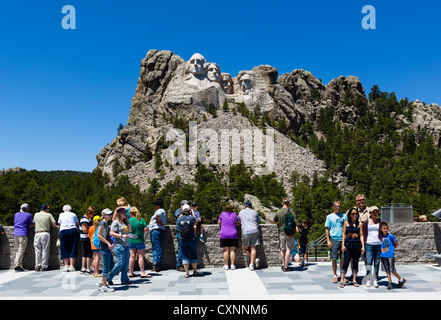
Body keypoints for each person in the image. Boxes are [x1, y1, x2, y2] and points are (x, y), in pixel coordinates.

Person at [339, 208, 365, 288]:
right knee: (346, 262)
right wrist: (343, 245)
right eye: (353, 214)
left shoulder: (359, 224)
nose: (355, 215)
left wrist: (363, 246)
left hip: (357, 245)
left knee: (355, 262)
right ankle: (342, 280)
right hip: (348, 244)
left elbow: (361, 235)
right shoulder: (346, 223)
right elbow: (343, 234)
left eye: (356, 214)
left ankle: (354, 279)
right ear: (350, 215)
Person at [107, 207, 132, 285]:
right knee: (120, 263)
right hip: (119, 245)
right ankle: (109, 277)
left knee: (125, 263)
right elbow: (112, 233)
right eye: (123, 213)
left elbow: (130, 230)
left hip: (126, 245)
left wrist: (128, 223)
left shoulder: (124, 222)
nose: (125, 214)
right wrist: (121, 236)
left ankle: (124, 279)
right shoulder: (115, 222)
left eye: (125, 212)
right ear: (119, 214)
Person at [325, 200, 347, 283]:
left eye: (339, 206)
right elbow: (327, 229)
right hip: (334, 238)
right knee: (334, 258)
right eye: (336, 206)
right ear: (333, 207)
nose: (338, 208)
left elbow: (346, 227)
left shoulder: (344, 216)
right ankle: (334, 275)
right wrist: (328, 240)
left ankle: (342, 275)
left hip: (343, 239)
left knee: (343, 258)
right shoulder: (329, 217)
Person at [379, 221, 407, 290]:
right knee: (387, 270)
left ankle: (401, 279)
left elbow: (396, 243)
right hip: (383, 255)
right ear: (380, 229)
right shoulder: (380, 236)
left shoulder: (390, 236)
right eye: (384, 228)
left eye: (386, 228)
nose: (385, 230)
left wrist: (392, 249)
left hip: (390, 255)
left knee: (392, 270)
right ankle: (390, 282)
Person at [273, 199, 297, 272]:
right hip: (289, 232)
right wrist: (296, 228)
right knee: (289, 249)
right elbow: (295, 220)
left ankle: (283, 264)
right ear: (288, 204)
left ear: (282, 203)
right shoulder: (290, 211)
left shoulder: (278, 212)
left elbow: (274, 220)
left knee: (282, 249)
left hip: (281, 232)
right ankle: (286, 267)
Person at [176, 204, 199, 278]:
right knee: (193, 255)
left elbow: (178, 228)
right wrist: (192, 214)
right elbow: (195, 223)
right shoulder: (192, 218)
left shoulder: (179, 219)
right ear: (189, 210)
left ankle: (187, 273)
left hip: (183, 239)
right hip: (191, 238)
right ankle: (195, 271)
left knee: (185, 256)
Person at [363, 206, 383, 288]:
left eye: (376, 212)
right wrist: (364, 244)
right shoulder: (366, 222)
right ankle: (368, 279)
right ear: (370, 213)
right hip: (369, 244)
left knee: (377, 262)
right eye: (373, 212)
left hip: (378, 244)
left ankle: (375, 279)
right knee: (369, 262)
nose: (375, 213)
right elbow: (364, 233)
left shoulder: (380, 222)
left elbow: (384, 231)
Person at [238, 200, 261, 271]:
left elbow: (239, 222)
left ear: (245, 206)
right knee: (253, 248)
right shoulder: (255, 212)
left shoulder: (241, 212)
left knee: (245, 248)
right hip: (255, 230)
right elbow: (257, 222)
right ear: (251, 206)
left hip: (246, 231)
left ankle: (253, 260)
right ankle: (252, 264)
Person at [128, 207, 150, 278]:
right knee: (140, 257)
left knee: (132, 256)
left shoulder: (129, 220)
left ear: (130, 213)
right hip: (139, 240)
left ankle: (131, 272)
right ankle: (142, 272)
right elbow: (145, 229)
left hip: (131, 240)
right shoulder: (141, 220)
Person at [33, 204, 56, 271]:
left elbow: (34, 223)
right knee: (45, 250)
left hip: (37, 233)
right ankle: (44, 266)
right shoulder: (48, 215)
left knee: (37, 250)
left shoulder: (36, 214)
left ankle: (37, 266)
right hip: (45, 233)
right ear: (46, 209)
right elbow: (54, 225)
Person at [96, 208, 115, 292]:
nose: (110, 215)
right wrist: (108, 243)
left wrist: (111, 243)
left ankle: (101, 281)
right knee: (106, 267)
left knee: (111, 265)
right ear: (104, 215)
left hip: (107, 247)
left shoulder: (106, 224)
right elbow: (99, 235)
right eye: (108, 214)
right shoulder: (102, 223)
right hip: (104, 247)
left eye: (110, 214)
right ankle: (104, 285)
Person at [58, 205, 80, 272]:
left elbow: (59, 224)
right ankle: (72, 266)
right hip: (72, 230)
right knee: (73, 247)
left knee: (64, 247)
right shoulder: (73, 214)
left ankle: (66, 265)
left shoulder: (61, 214)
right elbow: (77, 223)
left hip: (63, 231)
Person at [13, 204, 34, 272]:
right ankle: (17, 265)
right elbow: (32, 224)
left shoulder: (16, 214)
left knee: (18, 250)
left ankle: (18, 264)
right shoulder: (28, 215)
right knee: (21, 250)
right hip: (23, 233)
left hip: (16, 233)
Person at [218, 204, 239, 270]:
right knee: (232, 250)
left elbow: (219, 222)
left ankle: (226, 265)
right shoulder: (234, 214)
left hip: (224, 234)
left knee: (226, 250)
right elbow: (237, 223)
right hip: (233, 234)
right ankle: (232, 265)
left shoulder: (222, 214)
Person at [149, 199, 167, 272]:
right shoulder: (162, 211)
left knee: (157, 247)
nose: (154, 206)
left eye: (155, 205)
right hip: (158, 230)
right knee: (156, 247)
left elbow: (158, 216)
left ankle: (157, 263)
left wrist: (157, 221)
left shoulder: (160, 210)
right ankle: (156, 263)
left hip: (156, 230)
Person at [79, 206, 96, 275]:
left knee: (84, 253)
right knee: (88, 253)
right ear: (89, 213)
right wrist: (92, 228)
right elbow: (85, 230)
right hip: (85, 238)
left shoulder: (86, 219)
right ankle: (88, 269)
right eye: (92, 214)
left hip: (84, 238)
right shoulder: (84, 219)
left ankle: (83, 268)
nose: (92, 216)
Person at [174, 200, 188, 271]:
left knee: (184, 249)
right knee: (181, 249)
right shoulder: (178, 211)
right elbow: (179, 217)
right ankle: (179, 265)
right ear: (181, 205)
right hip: (180, 232)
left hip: (186, 232)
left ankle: (185, 264)